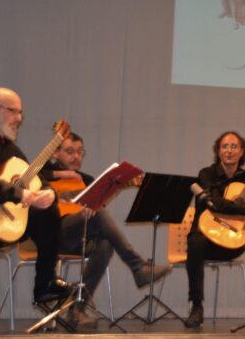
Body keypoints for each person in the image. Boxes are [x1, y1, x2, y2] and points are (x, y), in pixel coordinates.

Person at [40, 131, 172, 328]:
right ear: (56, 153)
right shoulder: (44, 173)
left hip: (79, 238)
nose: (76, 156)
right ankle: (138, 267)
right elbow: (30, 176)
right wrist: (63, 174)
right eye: (69, 151)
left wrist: (120, 185)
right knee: (99, 213)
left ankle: (77, 310)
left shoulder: (86, 180)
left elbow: (98, 207)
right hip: (53, 235)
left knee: (106, 243)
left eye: (80, 152)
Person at [0, 87, 72, 315]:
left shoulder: (12, 150)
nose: (19, 118)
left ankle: (45, 284)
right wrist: (17, 194)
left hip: (8, 226)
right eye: (13, 111)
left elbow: (35, 178)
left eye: (21, 113)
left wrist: (48, 193)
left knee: (48, 210)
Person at [184, 131, 245, 328]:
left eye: (234, 146)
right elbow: (215, 204)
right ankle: (197, 306)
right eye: (225, 146)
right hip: (207, 242)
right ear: (218, 151)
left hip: (234, 241)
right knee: (194, 241)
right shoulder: (206, 174)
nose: (229, 150)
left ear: (241, 152)